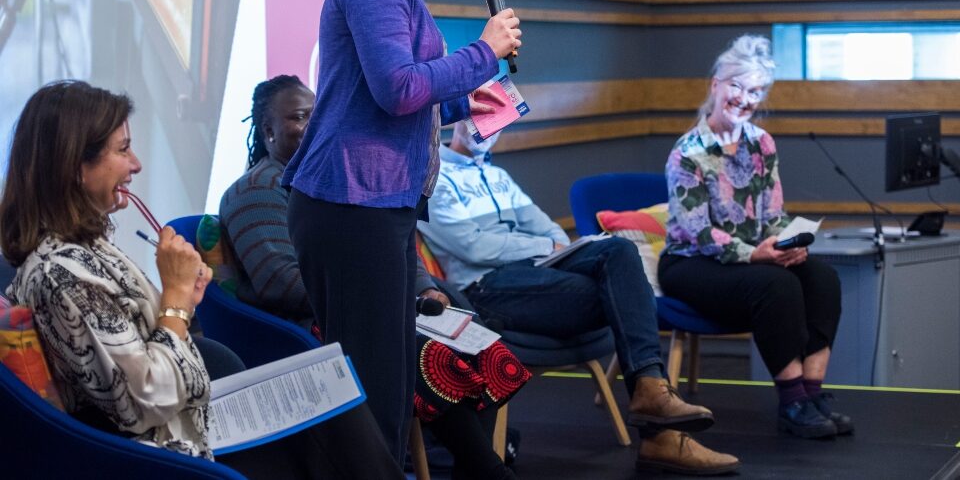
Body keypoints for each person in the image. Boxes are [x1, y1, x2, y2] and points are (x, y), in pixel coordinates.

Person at [0, 81, 403, 479]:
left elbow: (147, 344)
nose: (136, 164)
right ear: (75, 167)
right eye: (122, 150)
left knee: (336, 398)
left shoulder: (87, 249)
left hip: (187, 423)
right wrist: (174, 297)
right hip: (162, 454)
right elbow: (145, 402)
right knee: (334, 425)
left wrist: (184, 301)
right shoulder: (62, 274)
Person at [282, 0, 522, 463]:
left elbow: (407, 103)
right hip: (349, 201)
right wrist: (484, 53)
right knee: (372, 386)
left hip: (377, 203)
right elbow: (397, 88)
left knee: (386, 383)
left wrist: (471, 103)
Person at [221, 75, 529, 480]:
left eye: (319, 114)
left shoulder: (335, 177)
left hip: (371, 304)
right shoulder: (256, 190)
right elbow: (282, 282)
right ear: (268, 131)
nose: (314, 124)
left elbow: (392, 245)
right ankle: (482, 466)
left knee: (473, 339)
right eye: (299, 117)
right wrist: (381, 294)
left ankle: (471, 462)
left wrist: (425, 289)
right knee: (421, 350)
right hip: (305, 328)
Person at [418, 120, 741, 476]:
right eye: (478, 118)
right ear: (459, 118)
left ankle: (652, 392)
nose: (486, 130)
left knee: (618, 250)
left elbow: (550, 227)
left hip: (543, 273)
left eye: (495, 124)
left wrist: (550, 247)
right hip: (488, 288)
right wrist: (545, 247)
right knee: (625, 295)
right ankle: (659, 431)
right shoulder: (434, 174)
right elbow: (473, 245)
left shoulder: (498, 176)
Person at [659, 35, 852, 439]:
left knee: (822, 277)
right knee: (775, 285)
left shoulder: (762, 143)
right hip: (691, 262)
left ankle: (812, 393)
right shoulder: (687, 153)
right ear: (716, 84)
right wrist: (757, 255)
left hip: (753, 257)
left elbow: (773, 215)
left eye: (756, 91)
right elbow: (700, 234)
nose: (745, 99)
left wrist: (787, 244)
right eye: (737, 86)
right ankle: (792, 402)